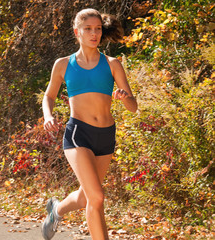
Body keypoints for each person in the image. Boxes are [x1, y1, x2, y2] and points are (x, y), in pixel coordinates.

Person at [41, 8, 138, 240]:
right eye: (88, 29)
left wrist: (125, 97)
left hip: (106, 136)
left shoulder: (112, 63)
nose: (94, 34)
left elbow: (134, 106)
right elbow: (49, 96)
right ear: (77, 32)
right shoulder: (63, 64)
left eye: (97, 29)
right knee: (97, 198)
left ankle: (57, 210)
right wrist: (48, 115)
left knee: (87, 197)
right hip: (78, 134)